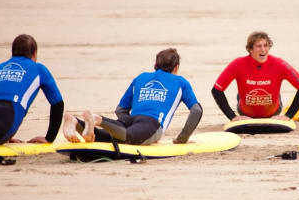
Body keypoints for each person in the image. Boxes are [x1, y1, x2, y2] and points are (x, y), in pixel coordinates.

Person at [63, 48, 202, 145]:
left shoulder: (141, 78)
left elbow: (120, 110)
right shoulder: (180, 82)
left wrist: (128, 122)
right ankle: (96, 119)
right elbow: (196, 110)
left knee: (106, 138)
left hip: (132, 120)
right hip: (152, 124)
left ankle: (75, 122)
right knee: (128, 137)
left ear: (156, 65)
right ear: (176, 67)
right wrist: (182, 138)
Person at [0, 34, 64, 146]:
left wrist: (7, 136)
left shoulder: (0, 67)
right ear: (34, 53)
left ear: (13, 52)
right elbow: (58, 103)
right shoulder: (39, 69)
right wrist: (49, 138)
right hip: (6, 116)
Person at [211, 31, 299, 121]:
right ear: (250, 49)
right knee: (242, 95)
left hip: (273, 112)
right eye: (258, 46)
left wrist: (288, 116)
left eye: (266, 45)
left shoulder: (280, 64)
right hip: (245, 112)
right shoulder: (238, 64)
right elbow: (216, 90)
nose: (263, 50)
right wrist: (232, 116)